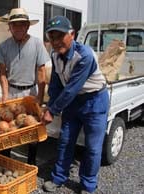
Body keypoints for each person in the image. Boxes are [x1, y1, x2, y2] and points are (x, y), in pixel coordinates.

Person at [41, 16, 109, 194]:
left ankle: (88, 185)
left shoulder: (85, 55)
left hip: (95, 101)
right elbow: (56, 84)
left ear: (72, 34)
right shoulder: (55, 55)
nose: (55, 41)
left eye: (60, 36)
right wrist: (49, 106)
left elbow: (71, 88)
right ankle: (58, 178)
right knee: (65, 141)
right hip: (73, 103)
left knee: (92, 147)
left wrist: (53, 111)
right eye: (52, 37)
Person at [0, 8, 50, 165]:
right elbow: (2, 73)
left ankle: (31, 164)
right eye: (14, 25)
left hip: (30, 92)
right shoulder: (4, 46)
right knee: (7, 129)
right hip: (11, 91)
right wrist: (5, 94)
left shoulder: (38, 44)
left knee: (32, 130)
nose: (18, 28)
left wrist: (39, 96)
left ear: (27, 26)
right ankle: (5, 161)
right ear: (10, 27)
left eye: (22, 25)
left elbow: (41, 72)